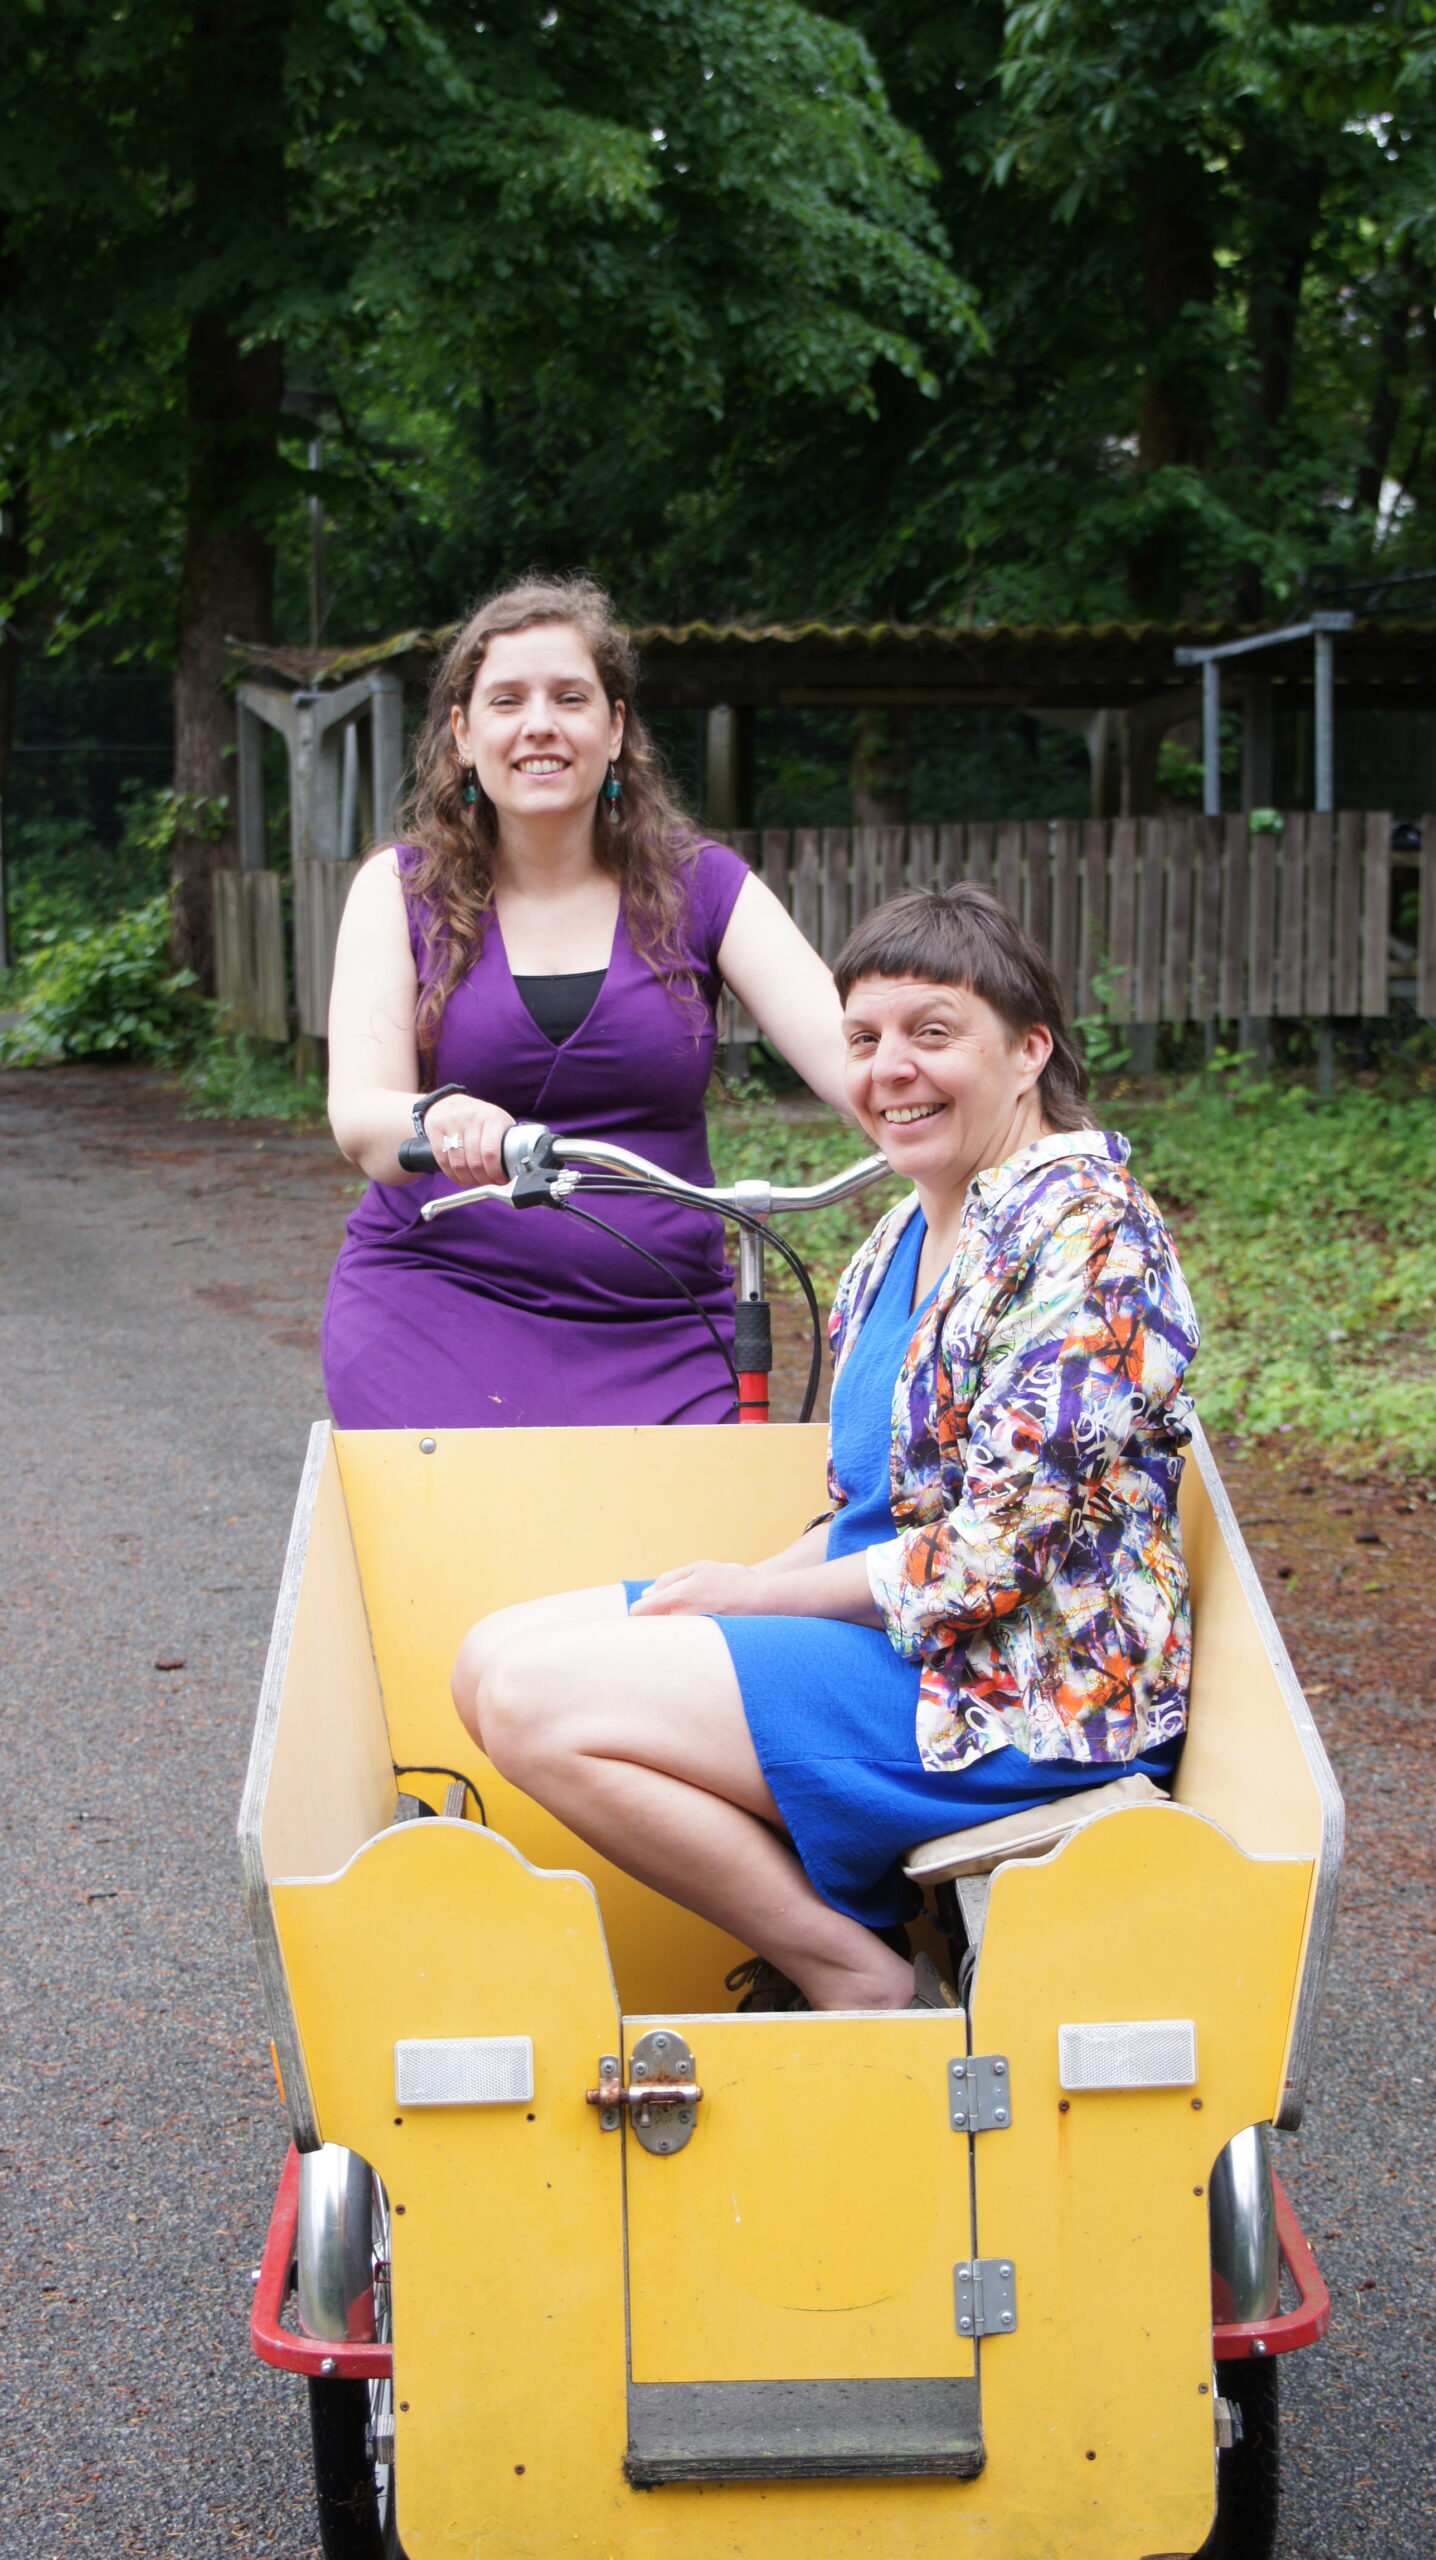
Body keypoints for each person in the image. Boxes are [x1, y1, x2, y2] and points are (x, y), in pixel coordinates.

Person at [450, 883, 1201, 2011]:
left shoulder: (1089, 1231)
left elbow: (996, 1555)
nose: (889, 1068)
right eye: (862, 1039)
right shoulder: (904, 1231)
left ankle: (853, 1973)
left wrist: (754, 1602)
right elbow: (869, 1509)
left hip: (1021, 1689)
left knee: (530, 1698)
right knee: (488, 1656)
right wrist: (743, 1586)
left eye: (931, 1032)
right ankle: (848, 1930)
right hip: (904, 1640)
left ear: (1028, 1050)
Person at [322, 574, 846, 1428]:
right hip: (437, 1303)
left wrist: (978, 1110)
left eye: (570, 697)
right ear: (463, 734)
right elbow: (361, 1118)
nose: (541, 724)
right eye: (507, 700)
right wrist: (442, 1118)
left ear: (616, 728)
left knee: (705, 1518)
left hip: (662, 1318)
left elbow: (856, 1058)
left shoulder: (704, 886)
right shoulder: (399, 889)